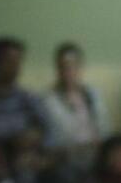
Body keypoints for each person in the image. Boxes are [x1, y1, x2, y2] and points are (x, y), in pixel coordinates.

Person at [39, 41, 109, 171]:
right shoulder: (47, 100)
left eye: (74, 66)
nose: (69, 71)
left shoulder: (93, 94)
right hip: (67, 155)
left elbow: (104, 128)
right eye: (64, 66)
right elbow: (51, 140)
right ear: (58, 69)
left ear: (81, 67)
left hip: (97, 152)